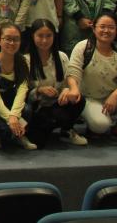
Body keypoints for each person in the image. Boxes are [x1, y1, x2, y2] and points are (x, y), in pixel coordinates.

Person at [66, 11, 117, 144]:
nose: (106, 31)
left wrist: (115, 95)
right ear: (94, 28)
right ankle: (94, 122)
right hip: (89, 98)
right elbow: (72, 72)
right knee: (100, 126)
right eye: (102, 27)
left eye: (111, 27)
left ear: (116, 30)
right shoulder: (83, 47)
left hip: (112, 97)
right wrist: (73, 89)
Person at [23, 18, 87, 147]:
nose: (44, 40)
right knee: (38, 141)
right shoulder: (25, 60)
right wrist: (39, 90)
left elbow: (69, 82)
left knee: (78, 99)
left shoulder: (62, 56)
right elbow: (22, 94)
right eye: (40, 36)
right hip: (37, 108)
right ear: (33, 36)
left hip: (57, 104)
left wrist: (67, 90)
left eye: (48, 36)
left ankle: (67, 129)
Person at [0, 22, 36, 150]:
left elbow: (22, 91)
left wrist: (14, 115)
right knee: (0, 130)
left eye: (16, 39)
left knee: (27, 110)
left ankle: (18, 134)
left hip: (11, 103)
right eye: (8, 39)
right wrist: (10, 118)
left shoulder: (24, 62)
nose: (12, 43)